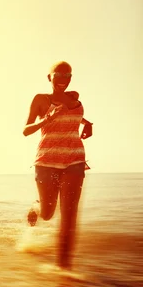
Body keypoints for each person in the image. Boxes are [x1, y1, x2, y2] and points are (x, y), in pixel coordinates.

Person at [23, 61, 93, 270]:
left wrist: (86, 122)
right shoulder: (40, 100)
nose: (63, 79)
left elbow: (71, 112)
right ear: (49, 77)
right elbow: (26, 129)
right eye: (59, 75)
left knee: (69, 218)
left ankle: (64, 271)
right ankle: (37, 207)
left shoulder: (74, 97)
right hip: (46, 162)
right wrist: (46, 119)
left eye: (67, 75)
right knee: (47, 213)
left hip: (75, 160)